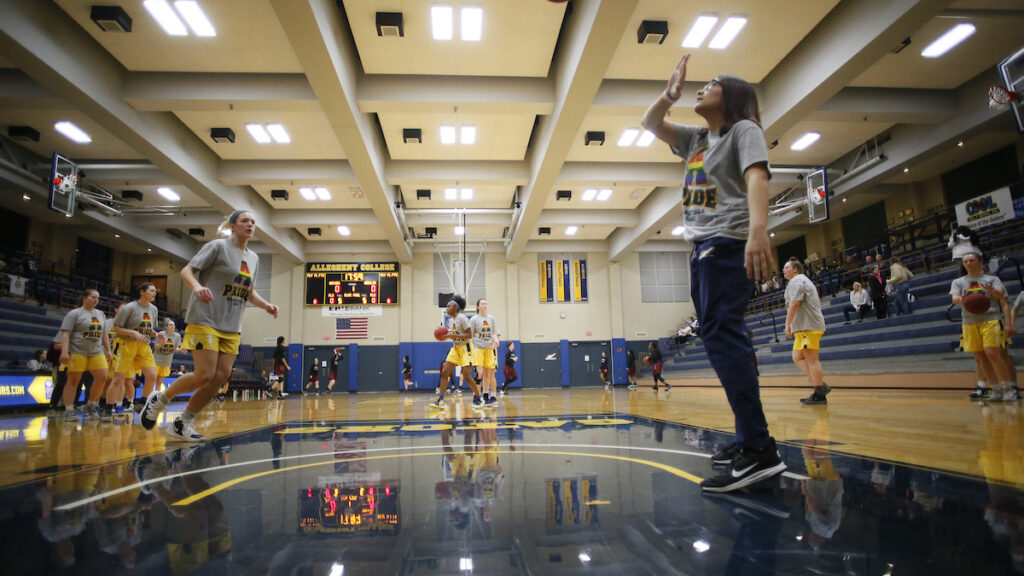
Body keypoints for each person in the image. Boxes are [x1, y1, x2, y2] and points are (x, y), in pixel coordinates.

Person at [642, 52, 785, 492]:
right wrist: (669, 95)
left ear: (733, 98)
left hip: (728, 245)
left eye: (712, 84)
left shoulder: (744, 130)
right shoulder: (697, 140)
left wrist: (758, 230)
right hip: (703, 248)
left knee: (725, 339)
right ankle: (750, 439)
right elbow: (651, 123)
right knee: (721, 340)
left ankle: (759, 448)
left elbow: (758, 177)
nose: (701, 88)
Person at [139, 209, 279, 441]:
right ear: (233, 225)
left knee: (220, 377)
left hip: (232, 324)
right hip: (206, 318)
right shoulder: (217, 247)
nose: (250, 225)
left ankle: (183, 423)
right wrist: (197, 288)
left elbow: (249, 291)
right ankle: (159, 399)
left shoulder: (253, 258)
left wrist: (266, 306)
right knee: (205, 375)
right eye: (245, 220)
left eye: (253, 222)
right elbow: (187, 271)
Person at [952, 252, 1015, 402]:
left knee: (992, 353)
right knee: (980, 356)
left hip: (990, 319)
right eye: (965, 261)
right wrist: (961, 299)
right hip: (969, 321)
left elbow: (1002, 297)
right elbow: (954, 298)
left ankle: (1008, 388)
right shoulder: (958, 282)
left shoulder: (992, 279)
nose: (968, 263)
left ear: (979, 262)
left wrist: (993, 291)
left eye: (971, 260)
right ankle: (996, 389)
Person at [107, 283, 160, 422]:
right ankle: (108, 408)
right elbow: (116, 328)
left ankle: (141, 403)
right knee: (119, 379)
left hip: (143, 344)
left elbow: (147, 329)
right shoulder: (130, 307)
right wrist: (132, 332)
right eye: (152, 290)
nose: (155, 293)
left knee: (152, 375)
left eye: (155, 291)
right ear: (142, 292)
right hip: (125, 343)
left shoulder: (153, 309)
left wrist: (156, 334)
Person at [58, 289, 112, 422]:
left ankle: (91, 404)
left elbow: (104, 334)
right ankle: (69, 410)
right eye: (93, 297)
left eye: (98, 298)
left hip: (96, 352)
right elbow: (65, 334)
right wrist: (65, 352)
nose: (96, 300)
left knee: (103, 377)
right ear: (84, 297)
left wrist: (108, 349)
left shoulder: (101, 314)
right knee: (73, 381)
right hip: (78, 351)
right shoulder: (74, 314)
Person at [783, 258, 831, 405]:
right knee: (797, 357)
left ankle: (819, 393)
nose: (784, 270)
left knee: (812, 359)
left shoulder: (797, 281)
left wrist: (787, 323)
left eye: (786, 267)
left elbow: (795, 303)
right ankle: (821, 385)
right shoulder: (798, 281)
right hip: (802, 327)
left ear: (796, 269)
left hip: (808, 326)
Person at [429, 296, 482, 410]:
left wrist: (452, 335)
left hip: (466, 348)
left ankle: (478, 398)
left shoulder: (462, 318)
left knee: (467, 376)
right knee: (444, 372)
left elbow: (470, 335)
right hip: (456, 348)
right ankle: (440, 400)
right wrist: (444, 337)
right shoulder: (450, 320)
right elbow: (452, 334)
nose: (446, 308)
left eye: (449, 306)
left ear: (456, 308)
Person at [469, 298, 500, 407]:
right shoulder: (473, 319)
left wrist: (496, 339)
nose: (485, 305)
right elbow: (470, 335)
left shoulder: (492, 318)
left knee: (488, 373)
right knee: (479, 373)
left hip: (489, 349)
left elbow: (496, 333)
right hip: (478, 348)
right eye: (482, 304)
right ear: (478, 307)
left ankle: (486, 396)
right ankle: (476, 397)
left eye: (486, 303)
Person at [152, 319, 182, 396]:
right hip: (156, 361)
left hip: (167, 362)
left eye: (174, 325)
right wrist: (160, 345)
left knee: (159, 382)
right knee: (152, 380)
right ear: (166, 327)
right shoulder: (161, 334)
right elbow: (155, 346)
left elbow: (176, 349)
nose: (173, 326)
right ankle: (148, 398)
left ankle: (156, 398)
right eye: (170, 325)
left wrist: (181, 350)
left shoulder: (177, 336)